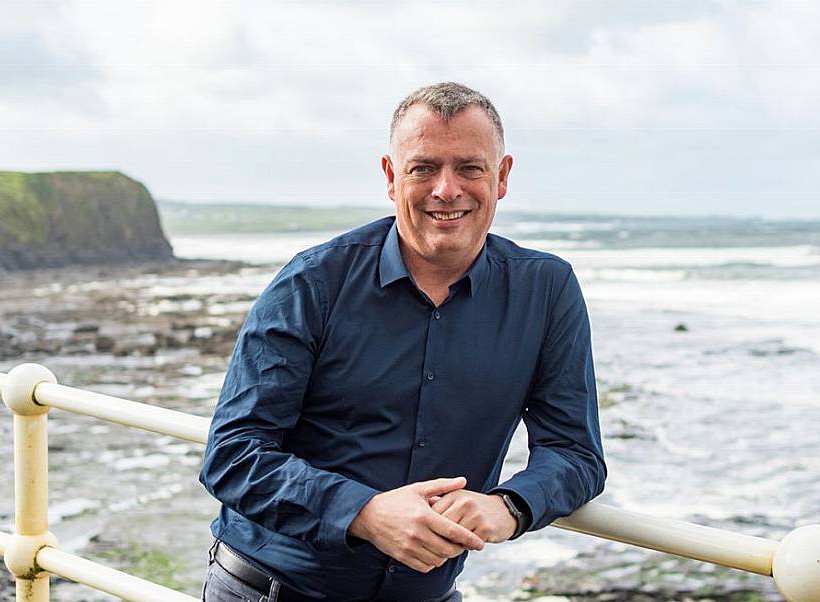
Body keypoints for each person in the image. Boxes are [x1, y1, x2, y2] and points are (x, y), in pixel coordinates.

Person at [200, 82, 607, 602]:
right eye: (423, 168)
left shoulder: (546, 290)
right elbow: (233, 454)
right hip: (270, 591)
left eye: (469, 168)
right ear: (392, 178)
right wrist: (364, 513)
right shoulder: (312, 282)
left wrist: (508, 506)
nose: (446, 189)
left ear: (501, 177)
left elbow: (575, 453)